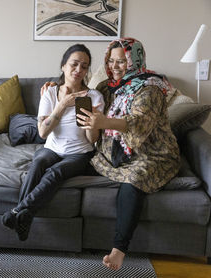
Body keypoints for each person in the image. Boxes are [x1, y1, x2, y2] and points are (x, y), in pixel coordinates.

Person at [77, 37, 180, 270]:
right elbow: (82, 95)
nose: (114, 66)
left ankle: (119, 249)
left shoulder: (150, 88)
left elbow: (139, 124)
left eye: (121, 61)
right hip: (113, 155)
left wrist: (104, 121)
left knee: (134, 179)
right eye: (111, 61)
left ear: (134, 60)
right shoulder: (105, 87)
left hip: (152, 154)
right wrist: (57, 89)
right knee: (77, 159)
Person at [1, 44, 105, 241]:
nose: (78, 70)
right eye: (74, 64)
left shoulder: (94, 96)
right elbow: (42, 132)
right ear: (63, 66)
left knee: (55, 172)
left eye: (84, 66)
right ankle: (24, 218)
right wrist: (62, 105)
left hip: (80, 153)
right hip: (52, 148)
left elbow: (93, 140)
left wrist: (91, 120)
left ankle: (18, 213)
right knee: (38, 163)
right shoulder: (50, 93)